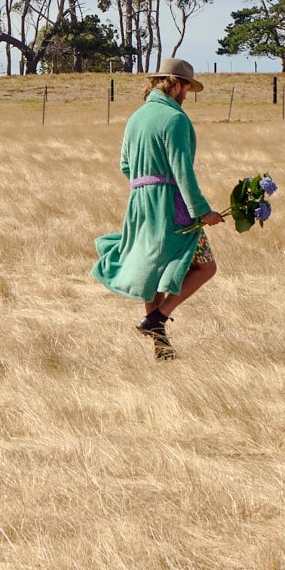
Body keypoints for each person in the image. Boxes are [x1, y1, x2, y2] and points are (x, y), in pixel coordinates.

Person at [94, 58, 223, 357]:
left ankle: (160, 347)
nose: (186, 96)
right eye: (186, 89)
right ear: (175, 84)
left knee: (154, 270)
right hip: (171, 207)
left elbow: (125, 164)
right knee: (206, 267)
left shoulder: (136, 118)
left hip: (139, 204)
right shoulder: (174, 119)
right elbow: (183, 171)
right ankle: (157, 318)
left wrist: (146, 185)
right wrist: (203, 211)